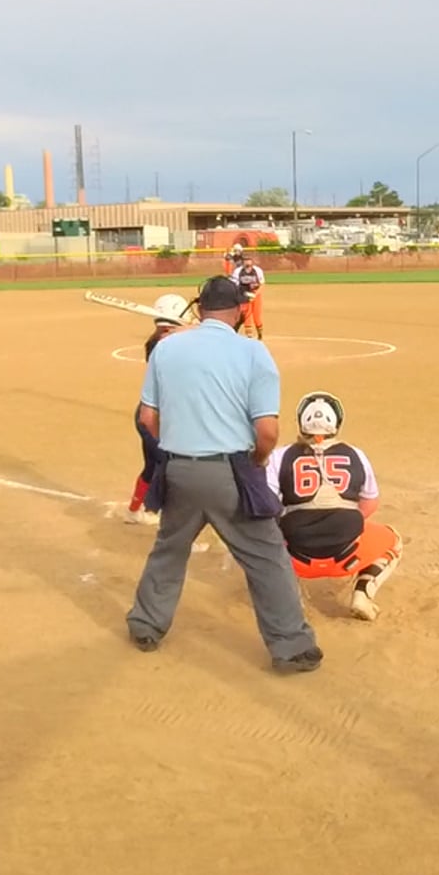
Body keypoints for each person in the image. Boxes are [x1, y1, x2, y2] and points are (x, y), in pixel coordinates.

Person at [128, 276, 322, 673]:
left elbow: (147, 418)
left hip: (179, 468)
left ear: (200, 309)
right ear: (239, 310)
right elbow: (267, 431)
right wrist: (259, 461)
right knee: (267, 557)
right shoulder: (252, 351)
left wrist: (177, 445)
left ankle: (146, 625)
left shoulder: (167, 348)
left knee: (169, 549)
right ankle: (291, 647)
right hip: (232, 470)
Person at [267, 391, 403, 621]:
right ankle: (363, 592)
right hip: (347, 555)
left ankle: (290, 597)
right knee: (393, 541)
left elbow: (266, 506)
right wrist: (341, 522)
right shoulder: (356, 454)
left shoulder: (279, 456)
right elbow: (370, 503)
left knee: (262, 539)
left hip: (296, 559)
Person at [125, 294, 193, 525]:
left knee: (153, 465)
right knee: (170, 468)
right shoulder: (163, 346)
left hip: (151, 413)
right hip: (159, 419)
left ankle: (134, 511)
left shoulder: (160, 342)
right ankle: (169, 518)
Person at [233, 254, 267, 339]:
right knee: (246, 316)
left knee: (257, 317)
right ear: (243, 262)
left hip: (255, 295)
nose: (247, 262)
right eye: (245, 260)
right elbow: (234, 285)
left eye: (249, 260)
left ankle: (260, 335)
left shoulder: (257, 270)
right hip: (244, 296)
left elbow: (262, 284)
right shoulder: (238, 271)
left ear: (252, 261)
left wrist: (255, 295)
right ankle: (249, 336)